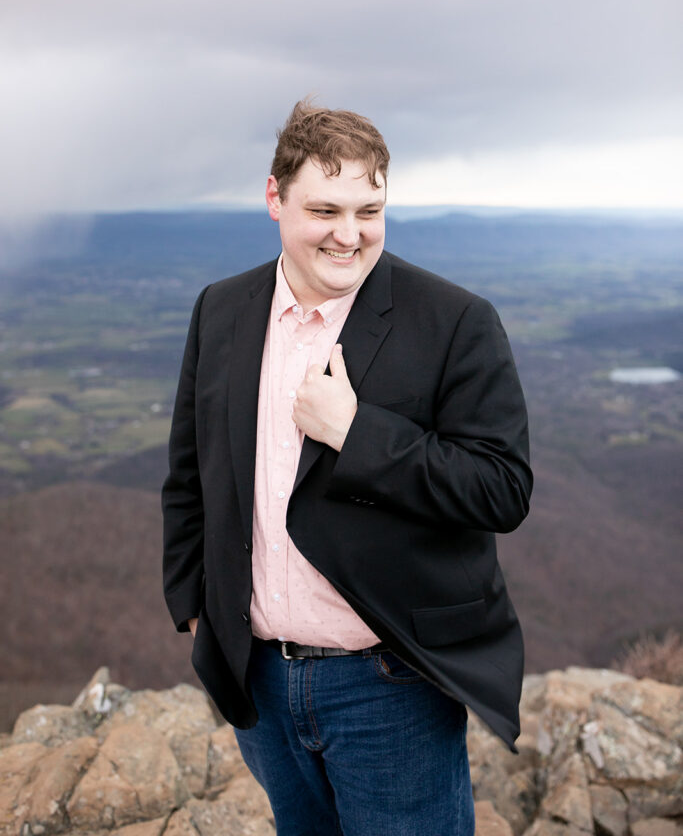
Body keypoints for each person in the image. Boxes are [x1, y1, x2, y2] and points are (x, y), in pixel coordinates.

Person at [162, 98, 533, 836]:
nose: (349, 234)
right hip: (258, 675)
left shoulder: (455, 320)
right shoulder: (223, 310)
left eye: (369, 210)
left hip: (388, 682)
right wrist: (196, 605)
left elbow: (501, 488)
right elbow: (189, 472)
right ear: (274, 198)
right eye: (324, 209)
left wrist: (358, 433)